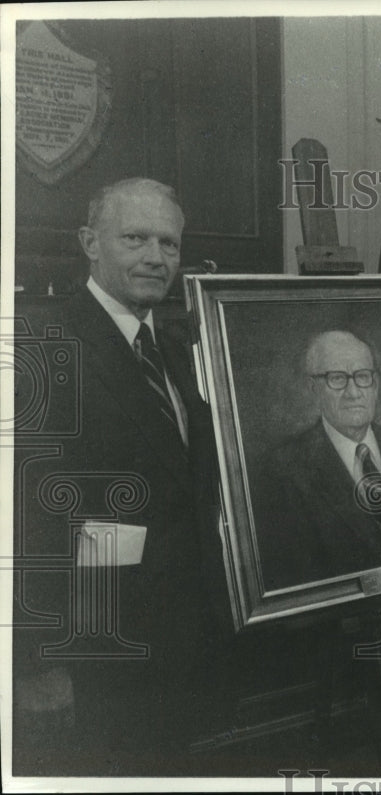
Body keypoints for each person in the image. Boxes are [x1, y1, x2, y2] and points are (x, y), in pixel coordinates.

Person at [12, 178, 226, 775]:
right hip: (95, 656)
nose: (155, 258)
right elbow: (25, 522)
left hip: (185, 645)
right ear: (89, 242)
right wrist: (35, 663)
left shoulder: (178, 348)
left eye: (169, 244)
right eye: (135, 238)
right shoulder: (44, 348)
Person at [254, 330, 381, 589]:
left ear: (376, 384)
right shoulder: (282, 471)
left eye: (363, 377)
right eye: (337, 378)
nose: (353, 392)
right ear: (313, 388)